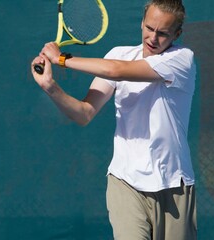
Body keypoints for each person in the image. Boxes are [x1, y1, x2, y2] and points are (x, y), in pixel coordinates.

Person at [31, 0, 197, 239]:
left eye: (162, 33)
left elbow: (115, 70)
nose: (153, 37)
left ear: (176, 34)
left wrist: (62, 59)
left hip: (174, 186)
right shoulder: (118, 54)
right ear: (141, 23)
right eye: (149, 28)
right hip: (125, 182)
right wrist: (50, 87)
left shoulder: (182, 59)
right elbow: (84, 113)